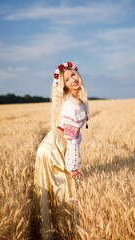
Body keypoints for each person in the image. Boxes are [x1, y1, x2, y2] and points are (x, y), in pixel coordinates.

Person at [33, 61, 89, 239]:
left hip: (55, 141)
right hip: (55, 147)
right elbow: (72, 140)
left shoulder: (74, 99)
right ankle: (61, 231)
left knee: (54, 188)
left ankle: (55, 229)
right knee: (64, 189)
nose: (73, 79)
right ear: (62, 84)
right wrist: (73, 166)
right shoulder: (70, 104)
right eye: (67, 78)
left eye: (74, 75)